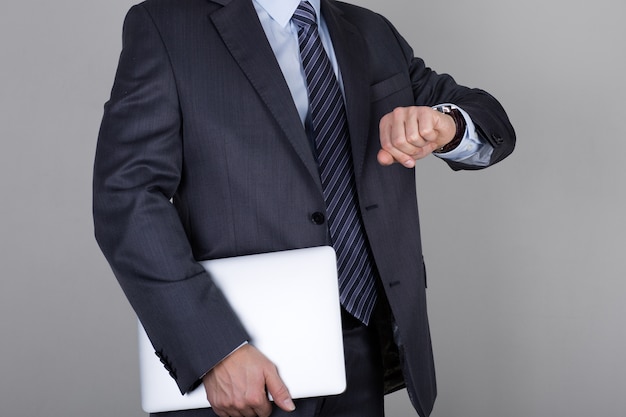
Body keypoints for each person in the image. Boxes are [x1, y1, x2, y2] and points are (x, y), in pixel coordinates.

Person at [93, 0, 515, 416]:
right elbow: (126, 197)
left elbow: (489, 121)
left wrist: (446, 125)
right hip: (239, 360)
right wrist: (213, 350)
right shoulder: (166, 25)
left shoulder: (371, 31)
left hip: (361, 348)